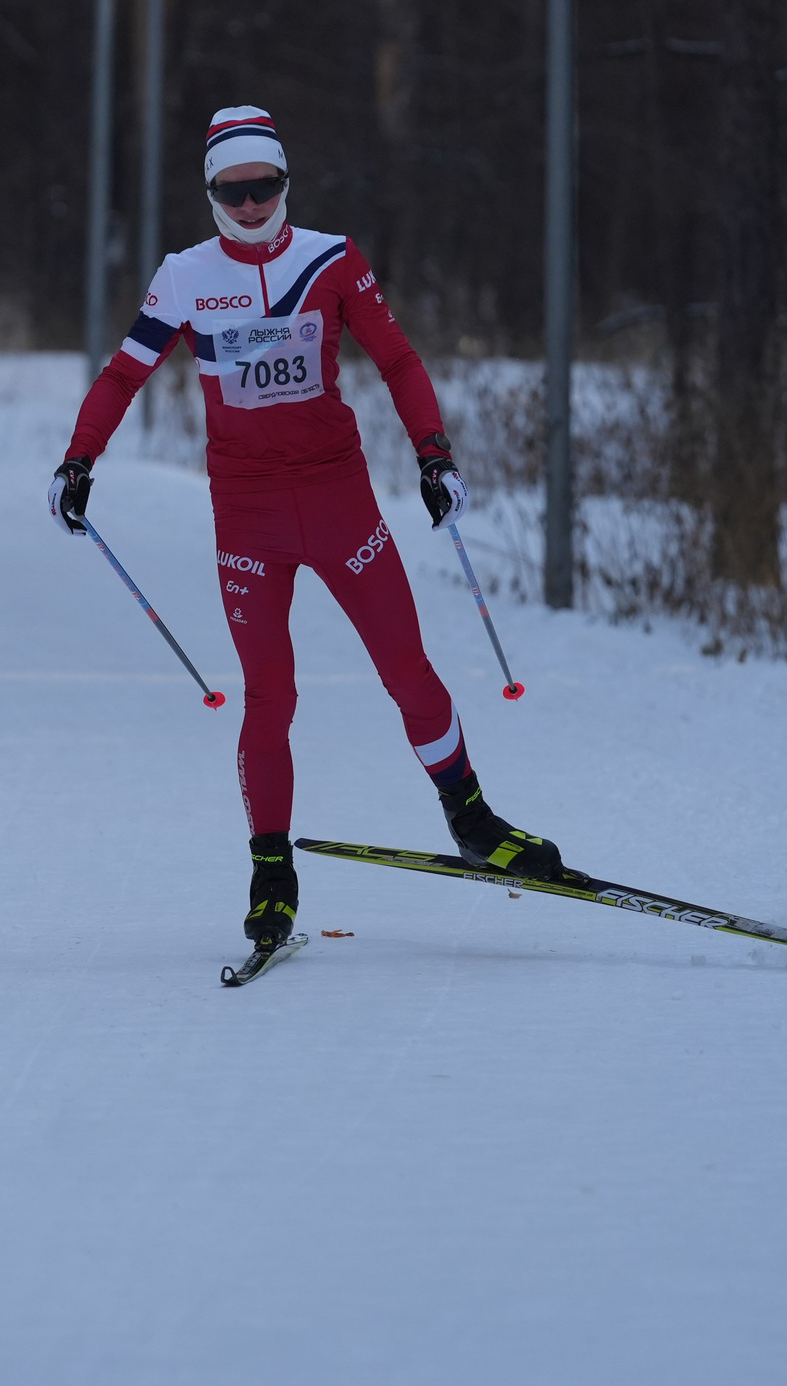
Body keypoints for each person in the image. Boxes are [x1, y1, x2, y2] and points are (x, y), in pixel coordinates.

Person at [48, 106, 569, 953]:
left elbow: (397, 359)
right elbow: (121, 373)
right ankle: (271, 871)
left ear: (286, 183)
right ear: (211, 190)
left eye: (266, 187)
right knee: (269, 695)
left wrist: (434, 454)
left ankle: (471, 817)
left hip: (337, 500)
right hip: (248, 513)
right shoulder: (183, 276)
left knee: (407, 664)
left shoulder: (332, 259)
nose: (251, 205)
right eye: (234, 190)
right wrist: (79, 461)